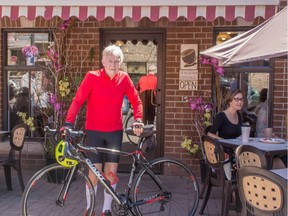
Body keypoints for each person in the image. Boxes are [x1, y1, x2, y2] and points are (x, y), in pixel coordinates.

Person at [62, 45, 144, 216]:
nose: (113, 64)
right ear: (103, 62)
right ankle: (90, 209)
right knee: (94, 173)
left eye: (117, 61)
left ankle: (106, 210)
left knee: (111, 172)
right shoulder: (91, 77)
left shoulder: (124, 78)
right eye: (110, 61)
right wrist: (69, 122)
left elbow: (136, 101)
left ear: (120, 63)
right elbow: (78, 101)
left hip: (114, 132)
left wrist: (138, 119)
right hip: (94, 131)